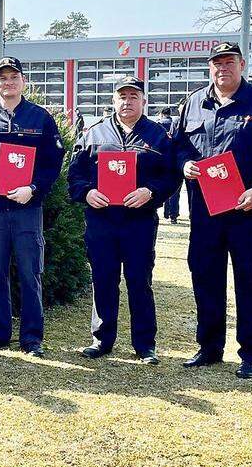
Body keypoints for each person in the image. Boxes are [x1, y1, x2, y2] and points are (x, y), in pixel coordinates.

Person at [172, 42, 252, 378]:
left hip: (246, 210)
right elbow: (177, 146)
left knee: (249, 279)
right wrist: (185, 165)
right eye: (216, 62)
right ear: (210, 67)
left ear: (242, 64)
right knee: (205, 276)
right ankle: (209, 346)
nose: (223, 68)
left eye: (229, 62)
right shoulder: (193, 102)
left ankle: (251, 353)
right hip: (205, 209)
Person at [68, 77, 180, 362]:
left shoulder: (158, 136)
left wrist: (150, 191)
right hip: (101, 220)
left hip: (139, 221)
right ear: (113, 101)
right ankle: (101, 339)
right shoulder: (93, 134)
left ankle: (144, 345)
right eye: (122, 96)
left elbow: (171, 176)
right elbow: (74, 174)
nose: (127, 101)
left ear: (144, 101)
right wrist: (87, 192)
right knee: (103, 279)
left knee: (139, 281)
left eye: (133, 96)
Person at [0, 57, 65, 358]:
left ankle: (32, 338)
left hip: (26, 209)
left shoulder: (40, 118)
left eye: (13, 77)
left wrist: (32, 189)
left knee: (30, 272)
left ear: (23, 82)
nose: (8, 83)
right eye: (2, 78)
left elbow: (53, 163)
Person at [154, 107, 181, 224]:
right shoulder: (176, 123)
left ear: (161, 114)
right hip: (175, 160)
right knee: (175, 191)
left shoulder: (156, 125)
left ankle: (164, 213)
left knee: (159, 186)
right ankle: (173, 215)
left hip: (159, 160)